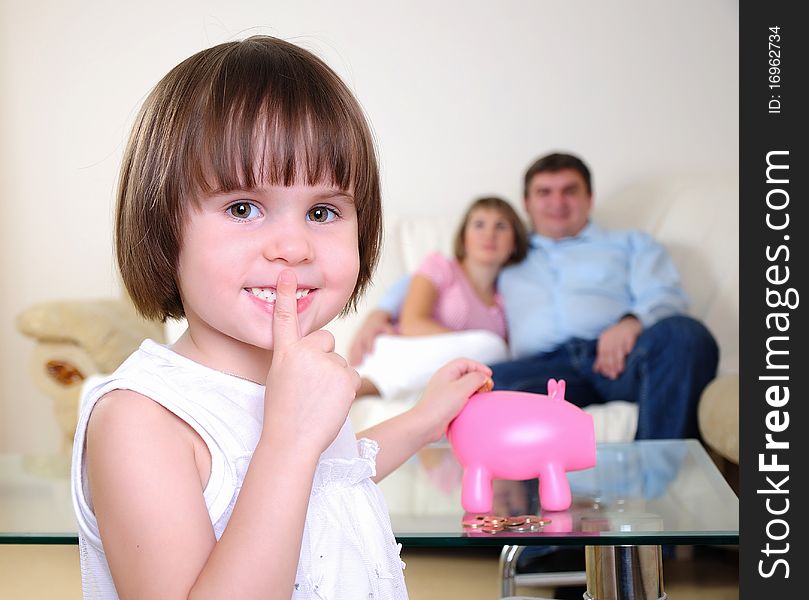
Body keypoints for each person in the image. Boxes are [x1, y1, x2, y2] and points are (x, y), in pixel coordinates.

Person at [70, 36, 493, 600]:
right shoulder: (139, 420)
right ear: (162, 225)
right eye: (243, 208)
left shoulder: (293, 375)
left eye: (323, 211)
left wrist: (424, 420)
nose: (293, 247)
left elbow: (336, 476)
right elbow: (292, 463)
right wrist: (289, 440)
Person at [349, 152, 719, 440]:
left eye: (569, 190)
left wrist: (631, 323)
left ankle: (658, 507)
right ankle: (537, 537)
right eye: (544, 192)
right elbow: (443, 272)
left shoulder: (630, 244)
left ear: (589, 198)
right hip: (542, 367)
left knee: (687, 335)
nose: (557, 201)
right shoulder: (510, 252)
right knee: (486, 388)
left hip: (619, 357)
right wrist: (380, 310)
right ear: (527, 203)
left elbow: (665, 295)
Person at [355, 196, 528, 398]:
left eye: (500, 226)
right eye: (479, 225)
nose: (489, 234)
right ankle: (365, 385)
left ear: (514, 243)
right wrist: (470, 345)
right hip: (402, 353)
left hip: (437, 376)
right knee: (493, 346)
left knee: (496, 350)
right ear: (464, 238)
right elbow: (412, 323)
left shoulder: (504, 300)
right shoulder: (439, 266)